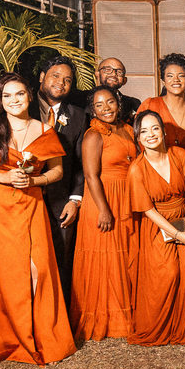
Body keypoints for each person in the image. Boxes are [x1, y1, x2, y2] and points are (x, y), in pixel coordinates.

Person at [0, 74, 75, 367]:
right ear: (0, 99)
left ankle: (34, 335)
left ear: (29, 96)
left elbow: (57, 171)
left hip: (29, 204)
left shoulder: (45, 129)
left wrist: (35, 180)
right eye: (7, 96)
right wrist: (5, 178)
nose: (14, 100)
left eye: (19, 94)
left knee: (36, 269)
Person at [127, 110, 185, 346]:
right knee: (168, 272)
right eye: (144, 131)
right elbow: (148, 211)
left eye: (155, 128)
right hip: (157, 224)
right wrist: (177, 234)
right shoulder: (137, 169)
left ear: (163, 131)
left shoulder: (180, 155)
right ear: (138, 137)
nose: (150, 134)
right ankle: (161, 327)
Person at [71, 85, 138, 341]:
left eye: (110, 102)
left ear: (118, 102)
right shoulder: (94, 135)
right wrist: (104, 210)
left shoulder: (127, 128)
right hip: (104, 199)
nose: (106, 108)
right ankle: (108, 319)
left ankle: (125, 313)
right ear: (93, 109)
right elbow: (90, 175)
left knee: (123, 256)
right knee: (107, 259)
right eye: (99, 105)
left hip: (125, 196)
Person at [36, 55, 88, 306]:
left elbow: (80, 163)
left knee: (61, 261)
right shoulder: (21, 105)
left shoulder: (78, 115)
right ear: (41, 77)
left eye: (68, 80)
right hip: (23, 199)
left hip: (61, 203)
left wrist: (75, 200)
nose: (61, 82)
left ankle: (59, 316)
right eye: (56, 76)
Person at [140, 53, 185, 170]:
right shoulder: (150, 105)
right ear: (163, 81)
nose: (176, 80)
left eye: (181, 76)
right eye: (170, 76)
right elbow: (138, 144)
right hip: (155, 171)